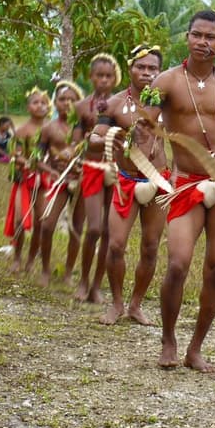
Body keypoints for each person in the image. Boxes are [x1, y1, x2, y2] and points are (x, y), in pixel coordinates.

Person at [143, 11, 215, 372]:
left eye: (211, 37)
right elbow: (144, 123)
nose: (203, 42)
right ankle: (169, 339)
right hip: (187, 186)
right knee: (177, 264)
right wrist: (144, 145)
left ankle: (195, 348)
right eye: (197, 35)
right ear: (187, 37)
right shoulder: (167, 81)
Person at [91, 45, 169, 326]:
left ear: (159, 72)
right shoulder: (113, 104)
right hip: (126, 181)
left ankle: (136, 305)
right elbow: (94, 139)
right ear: (130, 69)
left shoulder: (168, 102)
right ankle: (116, 304)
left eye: (152, 68)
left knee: (150, 247)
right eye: (141, 67)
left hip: (158, 180)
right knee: (116, 245)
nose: (147, 73)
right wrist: (116, 135)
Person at [73, 54, 119, 303]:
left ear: (115, 78)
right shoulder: (82, 107)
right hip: (91, 168)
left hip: (115, 170)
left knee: (109, 232)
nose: (103, 80)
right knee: (93, 229)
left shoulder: (120, 104)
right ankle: (83, 280)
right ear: (91, 77)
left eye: (108, 76)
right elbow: (76, 139)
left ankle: (96, 286)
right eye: (99, 75)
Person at [36, 80, 84, 287]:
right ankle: (45, 269)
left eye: (72, 100)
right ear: (55, 103)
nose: (67, 103)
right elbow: (36, 159)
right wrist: (53, 172)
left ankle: (68, 273)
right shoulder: (48, 129)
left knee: (76, 229)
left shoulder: (85, 127)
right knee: (47, 226)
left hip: (82, 183)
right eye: (62, 99)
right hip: (59, 183)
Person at [4, 89, 50, 273]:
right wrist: (30, 163)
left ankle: (31, 259)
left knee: (40, 221)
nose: (40, 106)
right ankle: (17, 257)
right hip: (25, 179)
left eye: (43, 103)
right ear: (28, 107)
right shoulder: (22, 131)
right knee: (19, 221)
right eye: (35, 102)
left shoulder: (52, 129)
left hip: (44, 180)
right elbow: (16, 155)